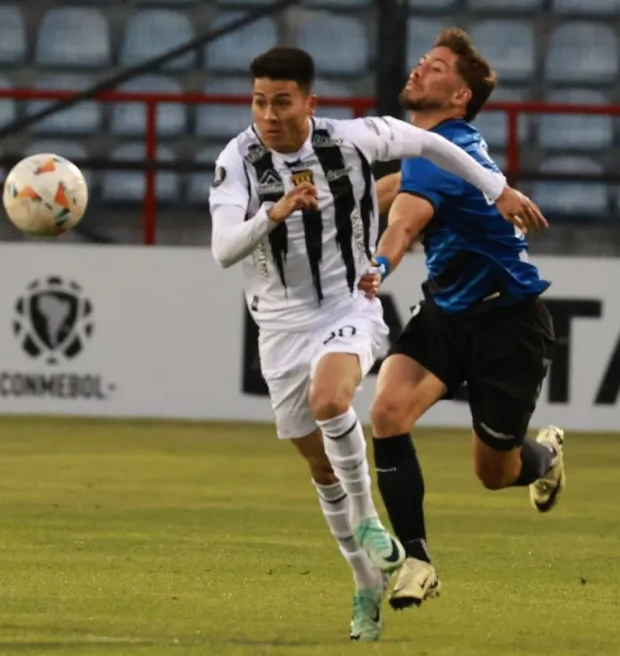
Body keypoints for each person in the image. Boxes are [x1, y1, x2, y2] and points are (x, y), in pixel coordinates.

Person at [207, 46, 544, 641]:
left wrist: (496, 189)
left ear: (309, 103)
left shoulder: (352, 138)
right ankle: (366, 581)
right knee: (322, 466)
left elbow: (426, 160)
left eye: (281, 102)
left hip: (349, 304)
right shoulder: (237, 159)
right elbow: (223, 249)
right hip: (280, 324)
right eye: (259, 102)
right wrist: (274, 214)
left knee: (334, 400)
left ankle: (380, 530)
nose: (269, 114)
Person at [358, 28, 566, 611]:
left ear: (460, 97)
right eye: (423, 60)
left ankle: (547, 456)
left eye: (438, 67)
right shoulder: (441, 149)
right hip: (448, 312)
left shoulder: (442, 152)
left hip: (508, 324)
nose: (420, 68)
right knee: (387, 411)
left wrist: (377, 266)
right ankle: (417, 561)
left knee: (495, 473)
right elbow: (398, 188)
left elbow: (404, 223)